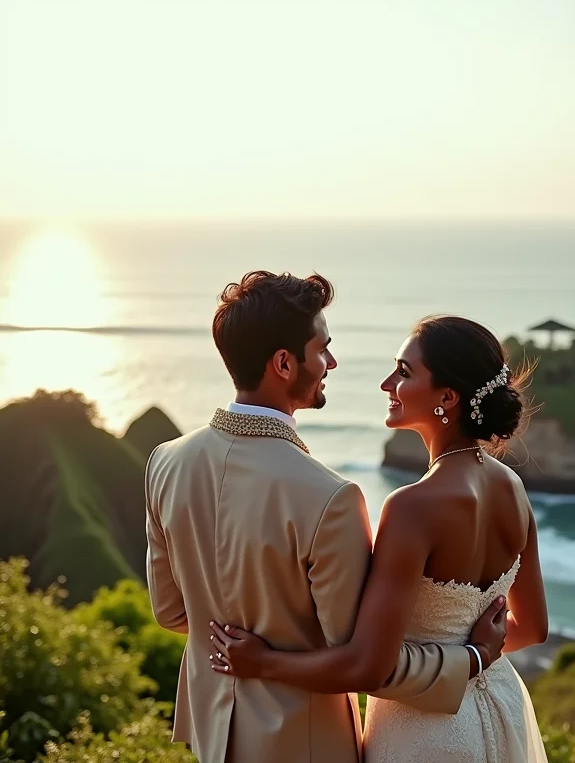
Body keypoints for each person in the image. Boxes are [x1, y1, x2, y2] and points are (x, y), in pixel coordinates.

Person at [145, 272, 508, 763]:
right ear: (283, 363)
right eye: (323, 349)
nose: (332, 362)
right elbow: (363, 663)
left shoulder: (165, 463)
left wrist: (241, 641)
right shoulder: (330, 497)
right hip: (307, 745)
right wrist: (475, 658)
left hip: (214, 738)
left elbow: (171, 612)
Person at [209, 314, 550, 762]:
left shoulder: (412, 506)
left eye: (404, 373)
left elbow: (366, 666)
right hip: (501, 708)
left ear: (447, 397)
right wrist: (477, 655)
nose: (387, 383)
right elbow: (534, 627)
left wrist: (263, 663)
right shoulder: (512, 487)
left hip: (426, 733)